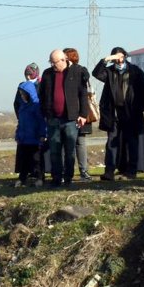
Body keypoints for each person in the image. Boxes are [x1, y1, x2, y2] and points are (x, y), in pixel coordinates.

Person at [92, 46, 144, 180]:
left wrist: (139, 108)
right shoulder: (109, 72)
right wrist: (107, 59)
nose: (119, 60)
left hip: (131, 112)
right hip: (114, 113)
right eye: (116, 57)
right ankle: (109, 171)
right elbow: (96, 73)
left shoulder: (135, 71)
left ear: (125, 56)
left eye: (121, 56)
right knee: (111, 142)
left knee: (132, 142)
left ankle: (131, 171)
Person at [38, 49, 88, 187]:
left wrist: (83, 114)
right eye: (51, 62)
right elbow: (42, 95)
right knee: (54, 151)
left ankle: (68, 179)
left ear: (64, 60)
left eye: (55, 62)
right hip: (53, 118)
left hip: (70, 119)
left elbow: (83, 94)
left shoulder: (75, 72)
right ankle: (56, 179)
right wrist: (45, 113)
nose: (53, 65)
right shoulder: (47, 74)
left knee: (70, 151)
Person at [64, 48, 93, 181]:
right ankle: (68, 171)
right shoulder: (60, 73)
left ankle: (84, 171)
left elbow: (86, 79)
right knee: (67, 144)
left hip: (80, 112)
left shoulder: (80, 70)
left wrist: (83, 113)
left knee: (80, 142)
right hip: (67, 114)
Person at [14, 78, 46, 187]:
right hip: (24, 139)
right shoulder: (22, 107)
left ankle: (40, 178)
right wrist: (18, 135)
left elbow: (41, 122)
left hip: (35, 138)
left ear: (29, 93)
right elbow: (20, 123)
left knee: (37, 160)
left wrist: (42, 134)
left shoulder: (36, 106)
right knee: (24, 161)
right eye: (20, 94)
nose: (21, 96)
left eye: (23, 94)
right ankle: (21, 179)